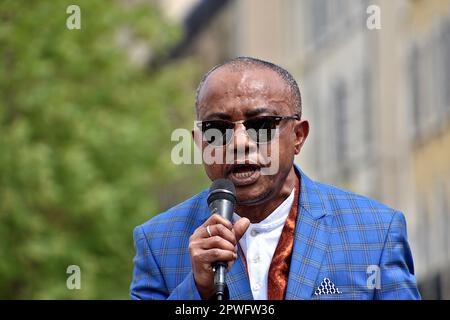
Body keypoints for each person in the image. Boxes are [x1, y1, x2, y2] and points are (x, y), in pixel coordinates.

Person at [130, 56, 420, 300]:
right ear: (199, 142)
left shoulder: (376, 232)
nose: (239, 142)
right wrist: (199, 291)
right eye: (217, 128)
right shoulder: (157, 242)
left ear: (298, 136)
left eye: (262, 124)